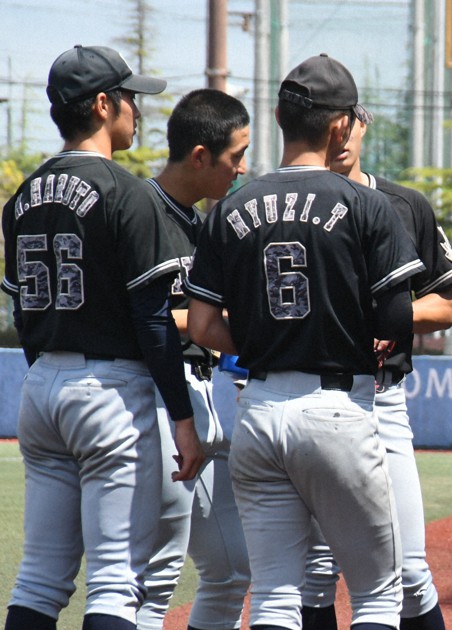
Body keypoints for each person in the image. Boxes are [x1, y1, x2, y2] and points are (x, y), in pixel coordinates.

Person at [183, 53, 424, 630]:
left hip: (259, 409)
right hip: (337, 408)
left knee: (273, 597)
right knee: (377, 595)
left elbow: (201, 326)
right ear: (341, 126)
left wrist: (266, 340)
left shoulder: (229, 208)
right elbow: (396, 318)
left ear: (277, 118)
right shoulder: (366, 204)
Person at [1, 44, 203, 630]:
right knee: (116, 581)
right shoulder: (127, 192)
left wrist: (50, 375)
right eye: (130, 97)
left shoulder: (22, 198)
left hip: (41, 386)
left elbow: (23, 316)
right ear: (101, 104)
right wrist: (182, 418)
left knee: (39, 578)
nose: (138, 109)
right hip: (110, 391)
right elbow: (152, 318)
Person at [299, 103, 452, 630]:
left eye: (350, 123)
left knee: (410, 570)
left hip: (381, 396)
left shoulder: (405, 204)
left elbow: (445, 305)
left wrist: (386, 317)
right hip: (310, 396)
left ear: (363, 125)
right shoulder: (289, 202)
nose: (342, 135)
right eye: (333, 123)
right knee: (316, 572)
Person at [136, 88, 253, 630]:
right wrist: (211, 320)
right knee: (150, 581)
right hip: (154, 394)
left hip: (201, 394)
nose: (242, 168)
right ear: (202, 155)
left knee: (231, 571)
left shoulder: (205, 224)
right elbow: (137, 317)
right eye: (237, 155)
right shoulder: (139, 209)